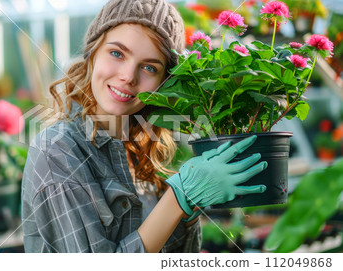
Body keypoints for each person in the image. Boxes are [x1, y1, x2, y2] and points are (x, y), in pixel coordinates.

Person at [21, 0, 267, 253]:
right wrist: (177, 198)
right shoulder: (57, 150)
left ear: (164, 83)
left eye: (149, 67)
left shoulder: (140, 147)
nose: (129, 76)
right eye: (117, 53)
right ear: (92, 53)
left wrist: (188, 211)